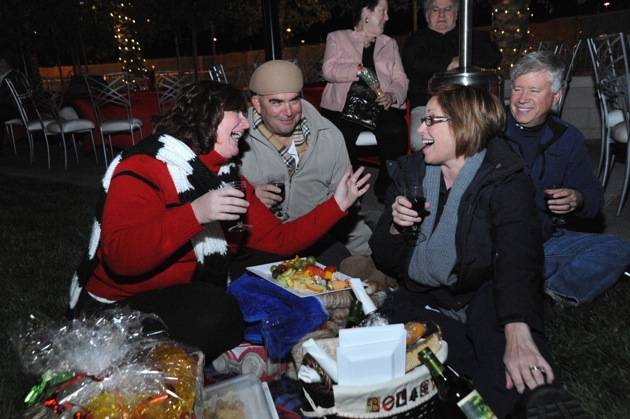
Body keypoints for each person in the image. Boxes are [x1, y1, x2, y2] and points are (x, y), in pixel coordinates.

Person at [67, 81, 370, 361]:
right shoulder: (143, 167)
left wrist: (337, 204)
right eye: (237, 114)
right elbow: (121, 259)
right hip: (123, 304)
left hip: (190, 285)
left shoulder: (226, 175)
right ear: (206, 116)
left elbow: (279, 241)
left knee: (278, 268)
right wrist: (195, 214)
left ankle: (247, 338)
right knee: (218, 314)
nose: (246, 123)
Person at [370, 84, 553, 417]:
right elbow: (383, 257)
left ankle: (530, 398)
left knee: (508, 350)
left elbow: (518, 258)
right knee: (387, 338)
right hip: (423, 295)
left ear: (463, 125)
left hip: (482, 290)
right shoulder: (412, 173)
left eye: (430, 121)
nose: (420, 130)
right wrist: (395, 227)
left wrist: (517, 331)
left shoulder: (504, 178)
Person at [505, 51, 630, 305]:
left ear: (556, 96)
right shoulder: (491, 130)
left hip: (545, 241)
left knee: (618, 248)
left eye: (534, 90)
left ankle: (555, 292)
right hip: (498, 243)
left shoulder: (566, 137)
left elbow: (593, 199)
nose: (522, 99)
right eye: (517, 89)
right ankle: (526, 280)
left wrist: (578, 199)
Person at [240, 60, 373, 264]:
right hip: (259, 243)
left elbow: (349, 207)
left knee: (351, 273)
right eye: (276, 102)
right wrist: (249, 201)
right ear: (257, 103)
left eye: (294, 100)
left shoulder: (327, 136)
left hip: (314, 238)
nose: (288, 112)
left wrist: (368, 257)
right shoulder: (237, 139)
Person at [319, 0, 409, 199]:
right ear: (366, 13)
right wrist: (358, 70)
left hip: (379, 105)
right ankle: (351, 187)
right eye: (382, 11)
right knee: (341, 136)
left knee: (396, 130)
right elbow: (328, 71)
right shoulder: (337, 37)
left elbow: (400, 78)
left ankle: (386, 186)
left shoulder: (389, 43)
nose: (387, 17)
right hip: (342, 107)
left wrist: (392, 95)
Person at [402, 0, 501, 151]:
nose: (441, 14)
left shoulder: (471, 36)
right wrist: (449, 63)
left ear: (456, 15)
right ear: (428, 15)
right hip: (427, 104)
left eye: (447, 9)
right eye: (436, 9)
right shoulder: (415, 41)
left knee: (488, 137)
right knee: (420, 140)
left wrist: (464, 60)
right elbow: (413, 64)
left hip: (468, 104)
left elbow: (493, 57)